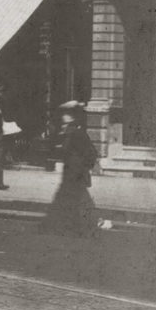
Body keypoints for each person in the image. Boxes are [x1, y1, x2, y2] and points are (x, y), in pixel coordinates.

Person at [42, 101, 99, 236]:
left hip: (76, 172)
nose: (63, 117)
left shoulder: (77, 132)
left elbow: (91, 153)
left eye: (67, 114)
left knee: (77, 200)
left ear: (72, 117)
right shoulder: (68, 130)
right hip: (70, 172)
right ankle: (65, 227)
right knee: (73, 199)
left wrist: (85, 167)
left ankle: (82, 228)